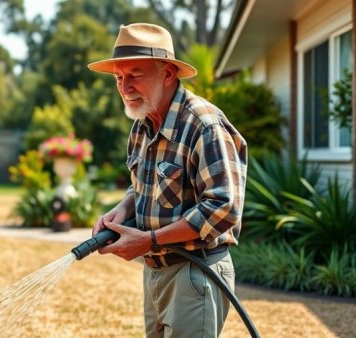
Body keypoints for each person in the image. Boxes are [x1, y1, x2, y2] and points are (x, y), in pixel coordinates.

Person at [89, 23, 248, 338]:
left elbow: (222, 208)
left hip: (195, 273)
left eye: (135, 74)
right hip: (156, 273)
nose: (125, 87)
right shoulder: (142, 124)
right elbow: (145, 188)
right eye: (119, 78)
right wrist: (124, 208)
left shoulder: (204, 125)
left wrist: (148, 241)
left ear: (167, 74)